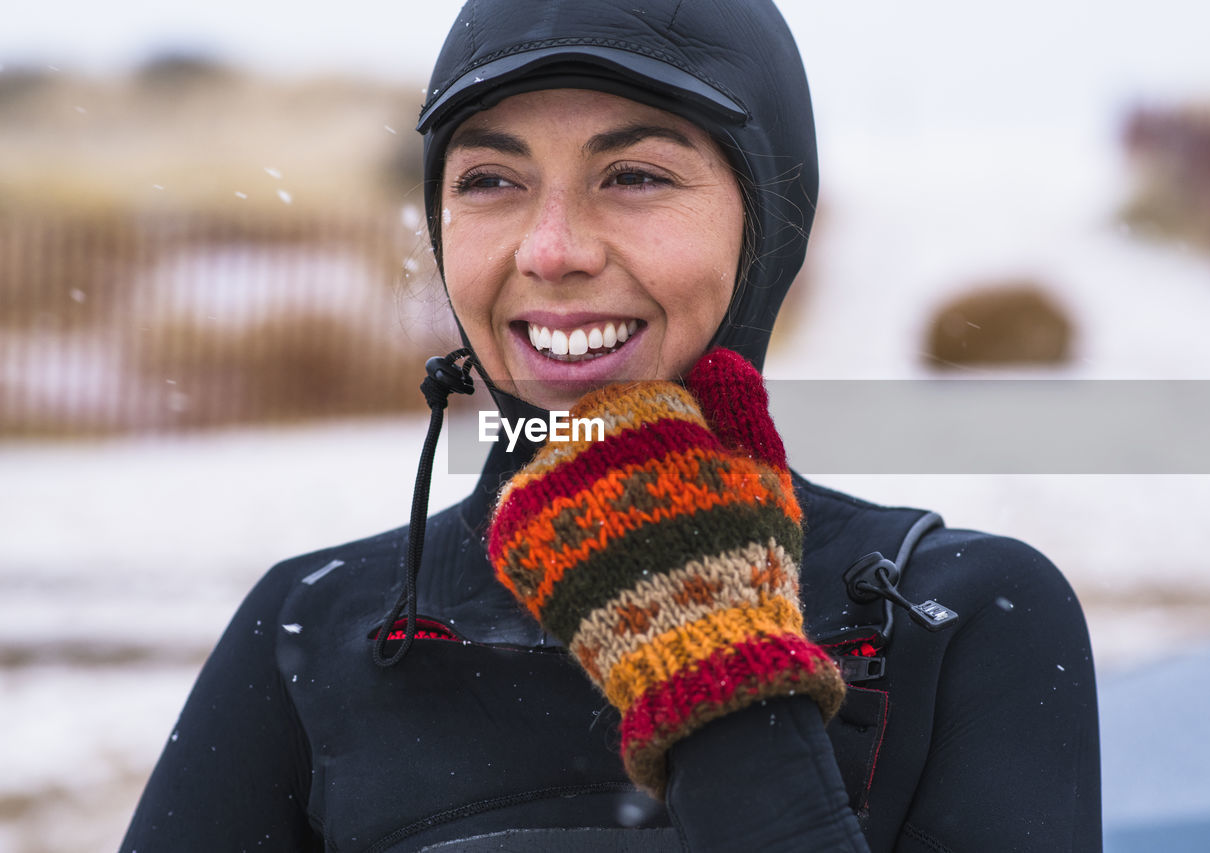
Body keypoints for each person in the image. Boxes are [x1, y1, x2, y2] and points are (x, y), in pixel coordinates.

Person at [121, 1, 1102, 850]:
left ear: (765, 224)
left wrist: (718, 668)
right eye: (490, 181)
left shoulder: (954, 616)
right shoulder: (312, 626)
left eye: (633, 175)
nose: (551, 250)